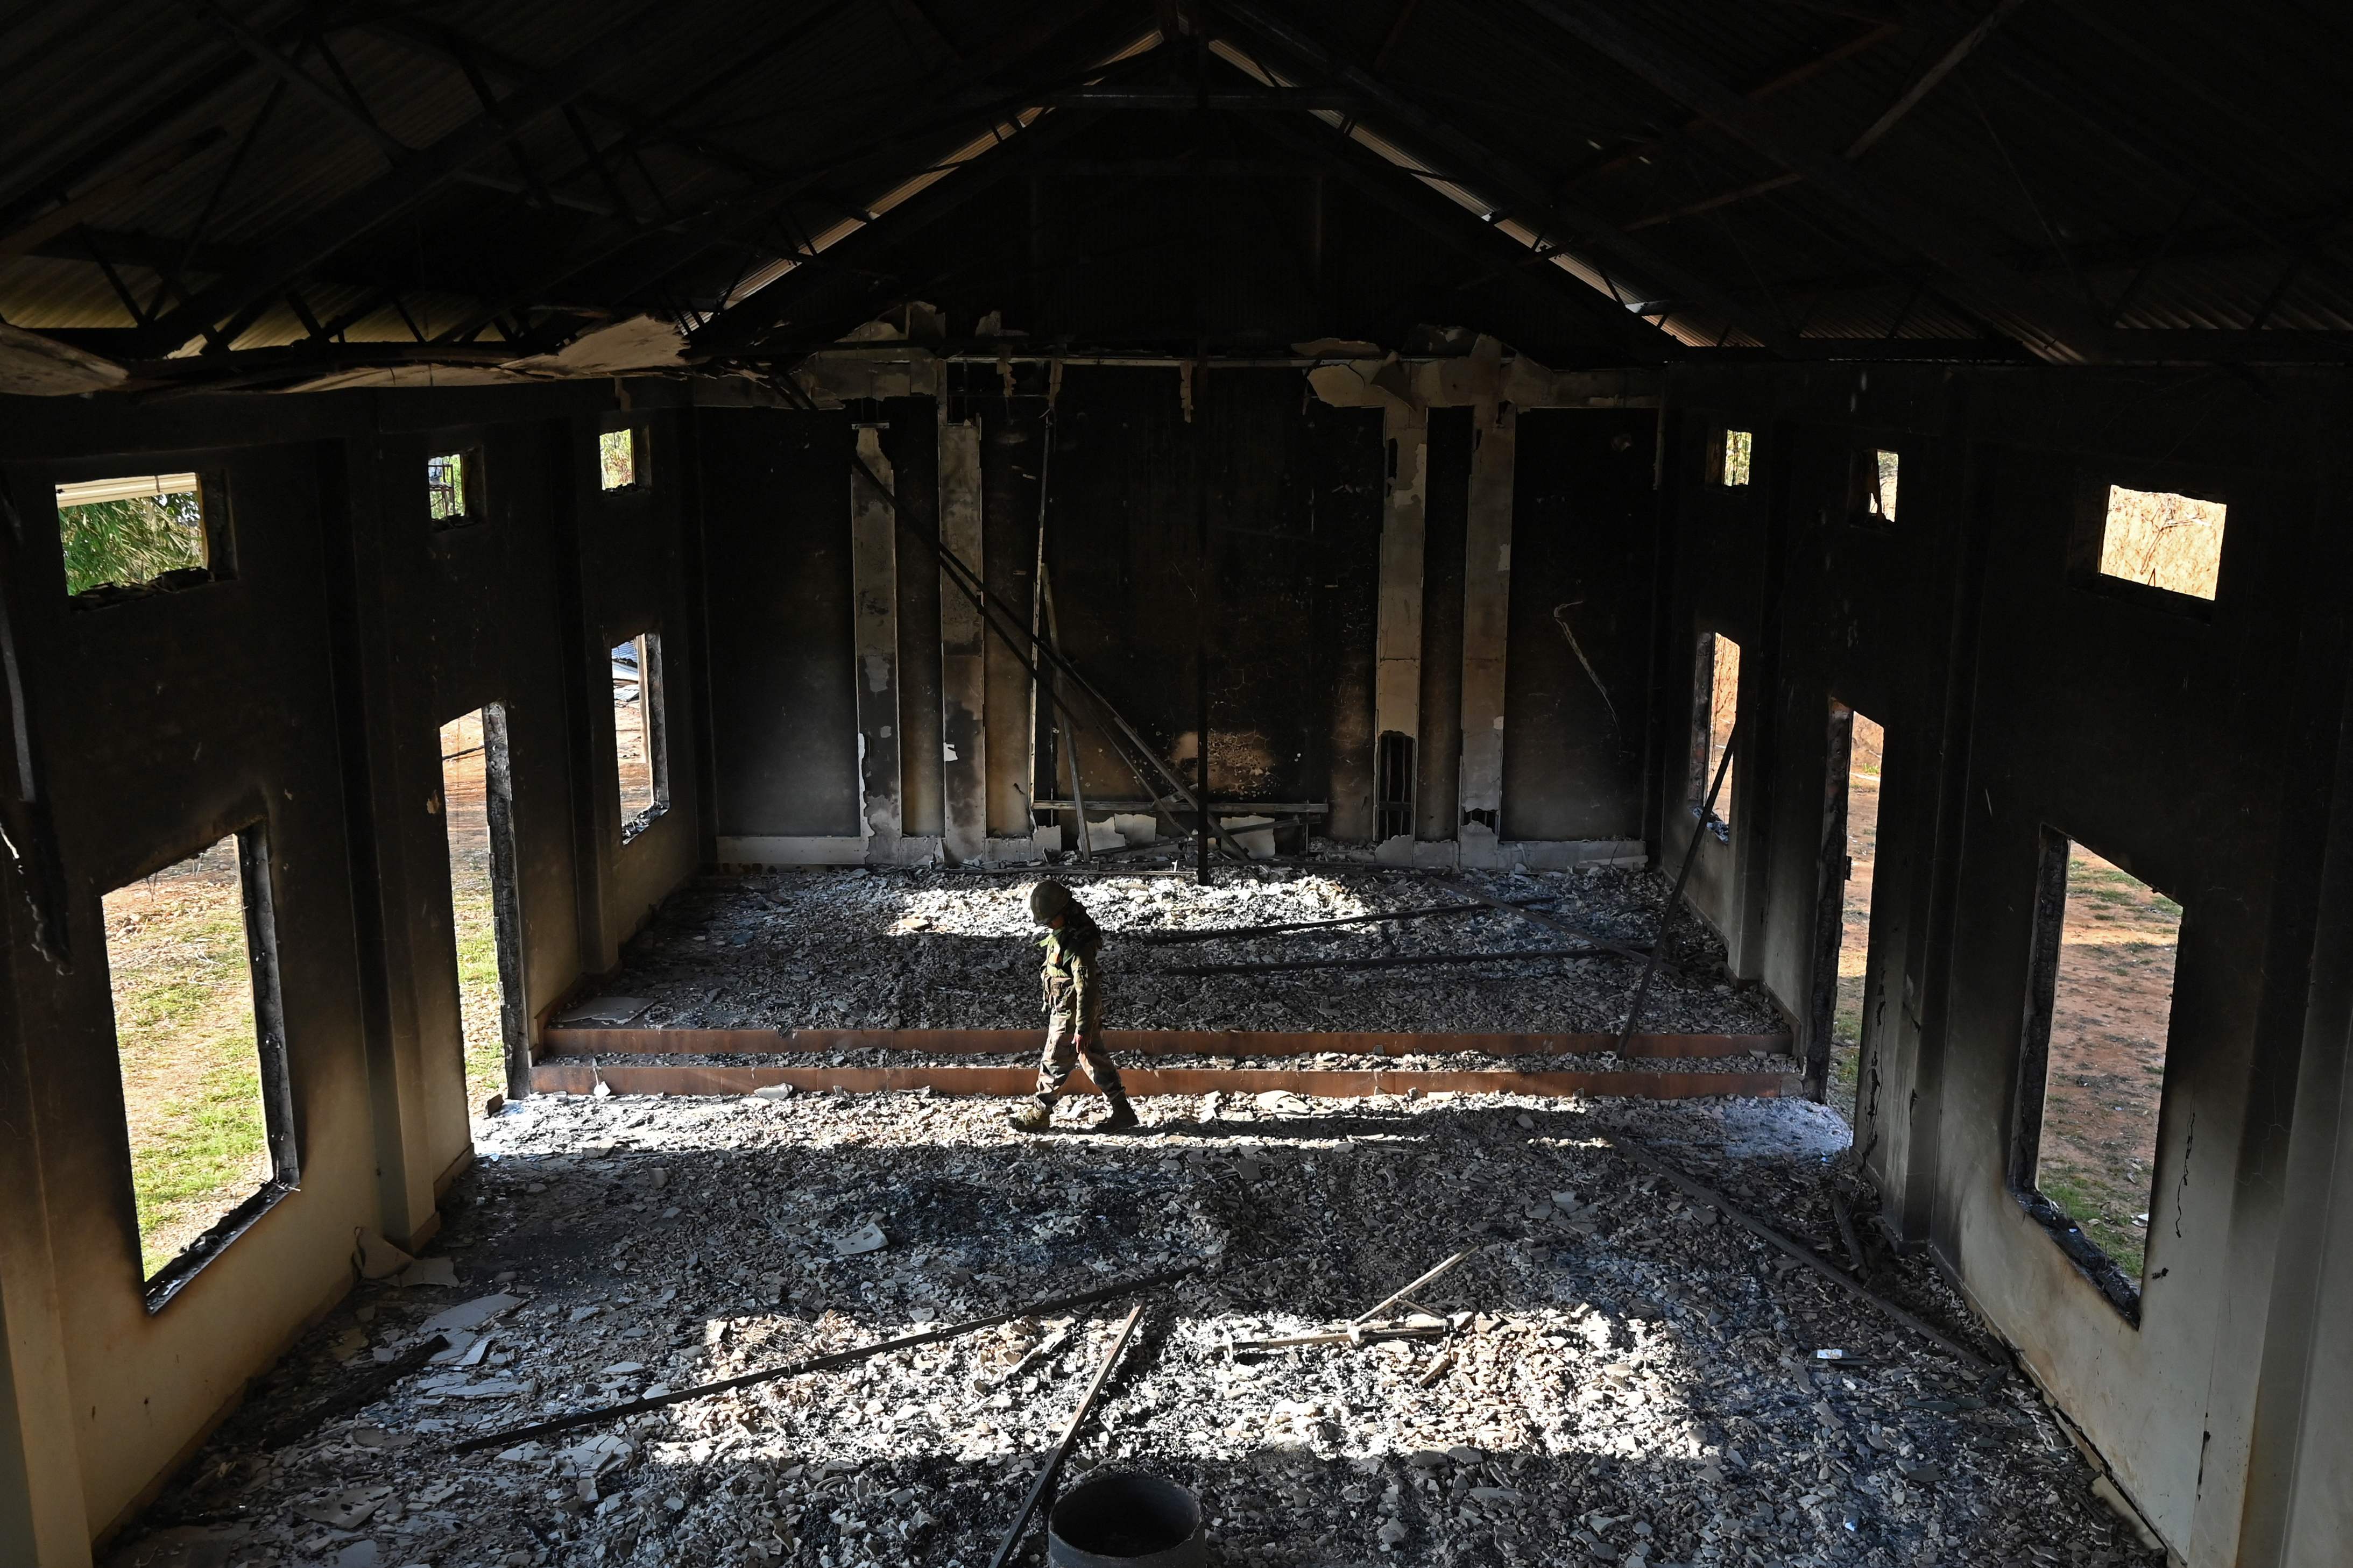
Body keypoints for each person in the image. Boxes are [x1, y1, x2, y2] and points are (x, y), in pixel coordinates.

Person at [1011, 878, 1138, 1132]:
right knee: (1094, 1057)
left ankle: (1040, 1113)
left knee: (1053, 1061)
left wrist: (1082, 1028)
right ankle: (1122, 1110)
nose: (1047, 925)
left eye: (1050, 920)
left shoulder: (1078, 947)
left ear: (1064, 913)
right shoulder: (1067, 934)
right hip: (1074, 1011)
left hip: (1071, 1014)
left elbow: (1086, 988)